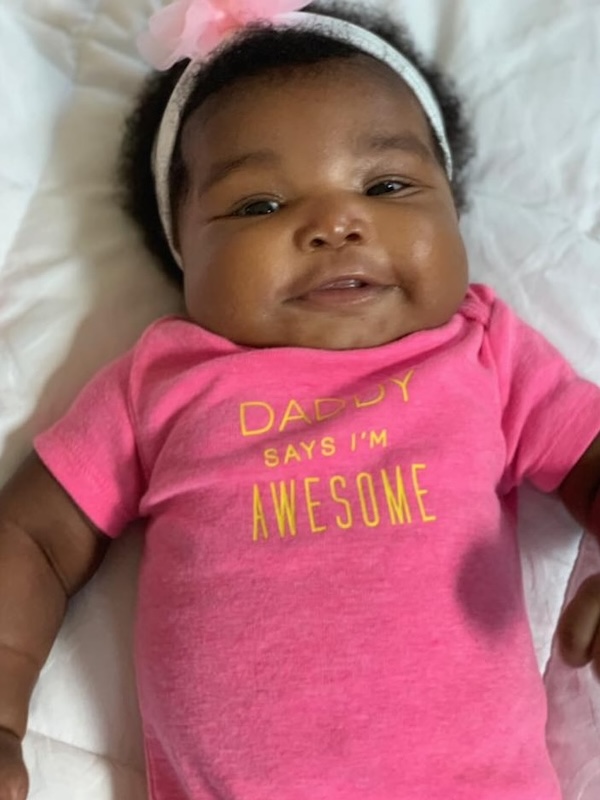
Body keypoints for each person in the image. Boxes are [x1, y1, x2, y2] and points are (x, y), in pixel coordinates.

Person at [1, 0, 600, 797]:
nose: (336, 222)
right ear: (184, 254)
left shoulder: (482, 350)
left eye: (386, 184)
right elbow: (34, 539)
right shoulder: (165, 381)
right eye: (260, 204)